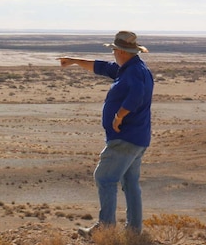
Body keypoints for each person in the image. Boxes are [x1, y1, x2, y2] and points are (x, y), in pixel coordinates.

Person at [58, 31, 154, 234]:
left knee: (105, 178)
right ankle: (134, 231)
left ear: (120, 51)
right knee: (130, 182)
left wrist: (119, 116)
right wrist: (75, 61)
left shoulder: (133, 72)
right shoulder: (132, 68)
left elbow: (136, 96)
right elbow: (101, 67)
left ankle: (106, 229)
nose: (113, 54)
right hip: (138, 137)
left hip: (125, 138)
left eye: (114, 51)